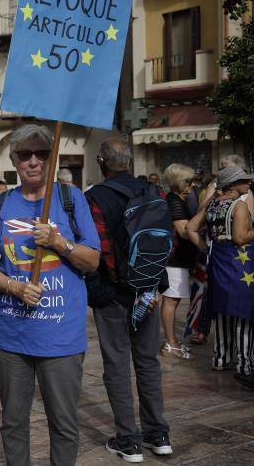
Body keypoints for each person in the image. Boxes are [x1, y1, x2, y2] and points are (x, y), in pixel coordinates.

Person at [0, 124, 100, 466]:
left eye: (42, 154)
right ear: (14, 160)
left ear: (53, 156)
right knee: (13, 423)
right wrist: (13, 286)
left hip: (60, 335)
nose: (33, 161)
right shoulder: (1, 204)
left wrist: (59, 242)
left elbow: (92, 261)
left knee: (63, 423)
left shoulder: (71, 199)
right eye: (24, 154)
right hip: (11, 334)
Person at [85, 138, 173, 462]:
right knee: (148, 361)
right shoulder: (154, 192)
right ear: (131, 161)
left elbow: (99, 248)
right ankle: (159, 434)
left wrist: (106, 289)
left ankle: (129, 440)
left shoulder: (94, 197)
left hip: (114, 294)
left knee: (117, 365)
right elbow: (168, 242)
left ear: (101, 162)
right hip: (148, 289)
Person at [188, 165, 254, 387]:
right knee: (244, 313)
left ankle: (221, 358)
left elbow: (191, 227)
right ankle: (245, 363)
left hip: (218, 262)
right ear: (234, 185)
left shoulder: (213, 204)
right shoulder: (240, 205)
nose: (249, 182)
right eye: (245, 180)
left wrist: (207, 249)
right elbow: (240, 237)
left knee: (224, 309)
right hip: (239, 264)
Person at [160, 164, 198, 360]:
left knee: (171, 300)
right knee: (171, 300)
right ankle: (170, 343)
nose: (192, 185)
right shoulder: (174, 201)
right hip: (175, 260)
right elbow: (184, 231)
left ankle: (171, 341)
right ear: (177, 183)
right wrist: (205, 208)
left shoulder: (178, 199)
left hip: (177, 260)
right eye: (188, 181)